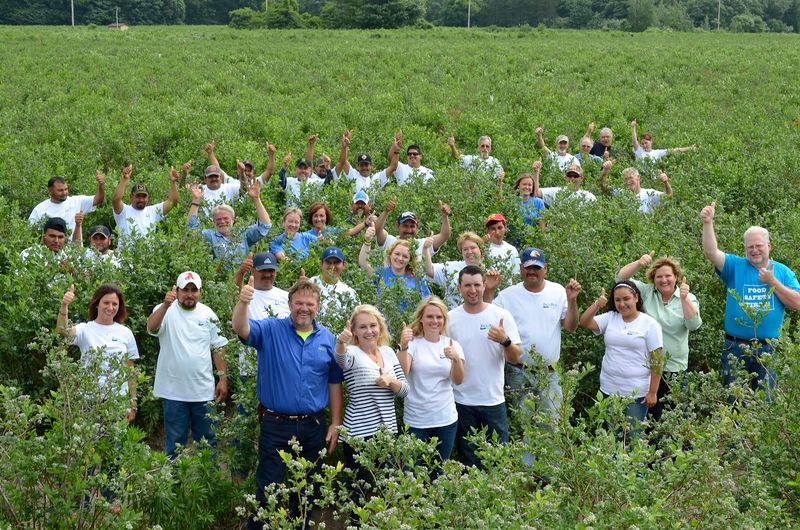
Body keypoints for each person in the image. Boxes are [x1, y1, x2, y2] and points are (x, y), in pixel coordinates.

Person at [231, 278, 343, 530]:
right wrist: (243, 302)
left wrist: (336, 422)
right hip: (275, 424)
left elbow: (334, 383)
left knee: (306, 490)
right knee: (268, 488)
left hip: (313, 426)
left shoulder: (328, 339)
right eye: (299, 303)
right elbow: (241, 328)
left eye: (310, 304)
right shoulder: (271, 330)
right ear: (289, 304)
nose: (304, 308)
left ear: (318, 306)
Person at [700, 202, 800, 398]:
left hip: (769, 348)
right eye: (750, 246)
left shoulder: (782, 271)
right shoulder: (735, 266)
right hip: (735, 347)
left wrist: (773, 283)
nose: (754, 250)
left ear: (769, 246)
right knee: (735, 400)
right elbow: (711, 253)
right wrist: (708, 223)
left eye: (759, 246)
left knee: (766, 402)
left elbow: (797, 303)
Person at [487, 248, 581, 418]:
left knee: (554, 425)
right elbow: (486, 316)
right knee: (524, 425)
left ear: (545, 268)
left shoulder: (558, 291)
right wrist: (489, 290)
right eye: (528, 267)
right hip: (518, 373)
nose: (532, 271)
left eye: (536, 268)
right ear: (521, 268)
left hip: (550, 374)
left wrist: (572, 300)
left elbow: (571, 327)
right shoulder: (508, 295)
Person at [147, 272, 229, 457]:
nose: (189, 294)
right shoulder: (164, 310)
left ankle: (208, 483)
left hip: (204, 392)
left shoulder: (208, 313)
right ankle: (174, 485)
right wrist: (165, 306)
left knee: (208, 442)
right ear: (176, 290)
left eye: (194, 290)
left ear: (200, 292)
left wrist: (223, 378)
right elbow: (151, 328)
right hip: (173, 392)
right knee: (175, 444)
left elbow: (218, 347)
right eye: (185, 290)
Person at [448, 266, 521, 468]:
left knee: (499, 458)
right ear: (459, 288)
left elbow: (516, 358)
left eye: (477, 285)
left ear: (484, 285)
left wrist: (505, 340)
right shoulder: (450, 318)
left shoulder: (500, 315)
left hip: (493, 399)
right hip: (461, 400)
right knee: (469, 460)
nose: (473, 290)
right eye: (468, 285)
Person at [617, 252, 702, 420]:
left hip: (674, 369)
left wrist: (684, 299)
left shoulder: (688, 297)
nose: (664, 280)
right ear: (653, 279)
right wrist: (639, 263)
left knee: (676, 418)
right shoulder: (646, 292)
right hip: (646, 368)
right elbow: (620, 280)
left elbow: (694, 325)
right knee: (650, 418)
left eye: (668, 276)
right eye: (659, 276)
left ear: (676, 277)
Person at [579, 281, 664, 442]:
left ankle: (636, 468)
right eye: (617, 300)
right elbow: (584, 322)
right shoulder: (611, 317)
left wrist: (653, 392)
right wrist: (597, 304)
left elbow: (657, 361)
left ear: (636, 298)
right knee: (612, 437)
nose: (622, 304)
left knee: (634, 438)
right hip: (609, 390)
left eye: (626, 299)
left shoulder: (649, 324)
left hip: (636, 393)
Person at [334, 305, 408, 488]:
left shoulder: (389, 352)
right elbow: (341, 360)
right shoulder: (352, 353)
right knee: (360, 490)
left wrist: (390, 380)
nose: (369, 331)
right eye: (362, 327)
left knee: (388, 488)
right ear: (354, 331)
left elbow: (405, 390)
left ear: (380, 328)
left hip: (387, 432)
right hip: (359, 435)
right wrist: (341, 343)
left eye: (373, 325)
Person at [56, 283, 139, 421]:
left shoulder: (126, 333)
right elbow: (62, 330)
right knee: (88, 442)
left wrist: (133, 402)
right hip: (88, 400)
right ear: (97, 304)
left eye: (115, 304)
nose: (110, 307)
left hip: (117, 400)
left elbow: (130, 370)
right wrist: (64, 305)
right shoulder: (85, 329)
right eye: (106, 302)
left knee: (115, 442)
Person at [396, 296, 465, 462]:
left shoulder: (452, 344)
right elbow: (402, 373)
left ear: (444, 320)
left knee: (440, 471)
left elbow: (458, 380)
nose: (435, 321)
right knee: (412, 471)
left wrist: (455, 359)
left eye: (439, 317)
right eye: (430, 316)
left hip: (445, 419)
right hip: (416, 421)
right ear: (421, 319)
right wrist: (403, 346)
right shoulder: (413, 344)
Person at [187, 179, 271, 267]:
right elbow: (192, 231)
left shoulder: (243, 234)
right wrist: (196, 201)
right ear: (214, 221)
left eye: (225, 218)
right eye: (218, 219)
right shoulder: (209, 235)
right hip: (220, 278)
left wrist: (256, 199)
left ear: (233, 220)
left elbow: (265, 226)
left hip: (242, 278)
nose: (222, 221)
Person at [360, 227, 431, 312]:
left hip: (410, 323)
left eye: (405, 256)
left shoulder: (417, 278)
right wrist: (367, 241)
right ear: (390, 254)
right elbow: (364, 265)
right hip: (383, 323)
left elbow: (427, 304)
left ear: (410, 260)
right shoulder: (381, 273)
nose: (400, 258)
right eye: (397, 254)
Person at [112, 164, 179, 246]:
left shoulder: (154, 211)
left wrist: (173, 182)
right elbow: (116, 199)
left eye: (144, 196)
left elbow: (173, 202)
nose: (141, 200)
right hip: (126, 258)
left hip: (147, 258)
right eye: (138, 196)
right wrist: (125, 179)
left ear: (148, 198)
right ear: (131, 197)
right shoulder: (123, 211)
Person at [373, 196, 451, 262]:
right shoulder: (390, 241)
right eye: (405, 226)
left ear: (417, 228)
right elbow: (378, 230)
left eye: (412, 226)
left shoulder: (423, 244)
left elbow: (444, 236)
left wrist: (444, 217)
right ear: (398, 226)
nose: (409, 230)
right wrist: (386, 211)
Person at [423, 231, 485, 308]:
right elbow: (430, 271)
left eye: (473, 248)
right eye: (465, 249)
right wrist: (425, 249)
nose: (469, 252)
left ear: (480, 249)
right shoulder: (451, 268)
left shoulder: (490, 269)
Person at [29, 173, 105, 235]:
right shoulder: (40, 209)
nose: (64, 193)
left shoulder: (76, 201)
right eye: (60, 190)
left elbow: (98, 200)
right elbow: (31, 232)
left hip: (73, 251)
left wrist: (101, 186)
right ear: (50, 191)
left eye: (66, 189)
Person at [335, 130, 400, 193]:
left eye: (366, 165)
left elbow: (393, 167)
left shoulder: (376, 179)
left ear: (371, 166)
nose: (364, 168)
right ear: (358, 167)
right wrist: (344, 147)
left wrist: (396, 150)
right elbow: (342, 162)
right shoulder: (353, 175)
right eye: (361, 165)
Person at [307, 246, 359, 325]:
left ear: (344, 265)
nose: (332, 267)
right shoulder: (310, 284)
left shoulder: (349, 292)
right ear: (321, 264)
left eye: (336, 262)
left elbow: (356, 321)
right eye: (328, 262)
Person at [600, 167, 673, 213]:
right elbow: (604, 187)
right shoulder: (621, 193)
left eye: (630, 178)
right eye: (626, 179)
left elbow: (668, 197)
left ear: (638, 178)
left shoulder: (648, 193)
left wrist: (666, 182)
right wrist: (605, 171)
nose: (628, 181)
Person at [631, 120, 697, 161]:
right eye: (642, 143)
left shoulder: (657, 153)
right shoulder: (639, 151)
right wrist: (633, 128)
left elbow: (676, 150)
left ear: (651, 141)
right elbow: (634, 141)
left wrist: (690, 148)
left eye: (646, 143)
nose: (644, 145)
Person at [505, 164, 545, 231]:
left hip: (531, 239)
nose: (527, 187)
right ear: (518, 186)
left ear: (532, 188)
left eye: (530, 185)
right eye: (524, 184)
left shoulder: (539, 202)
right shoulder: (511, 201)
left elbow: (542, 226)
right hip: (512, 239)